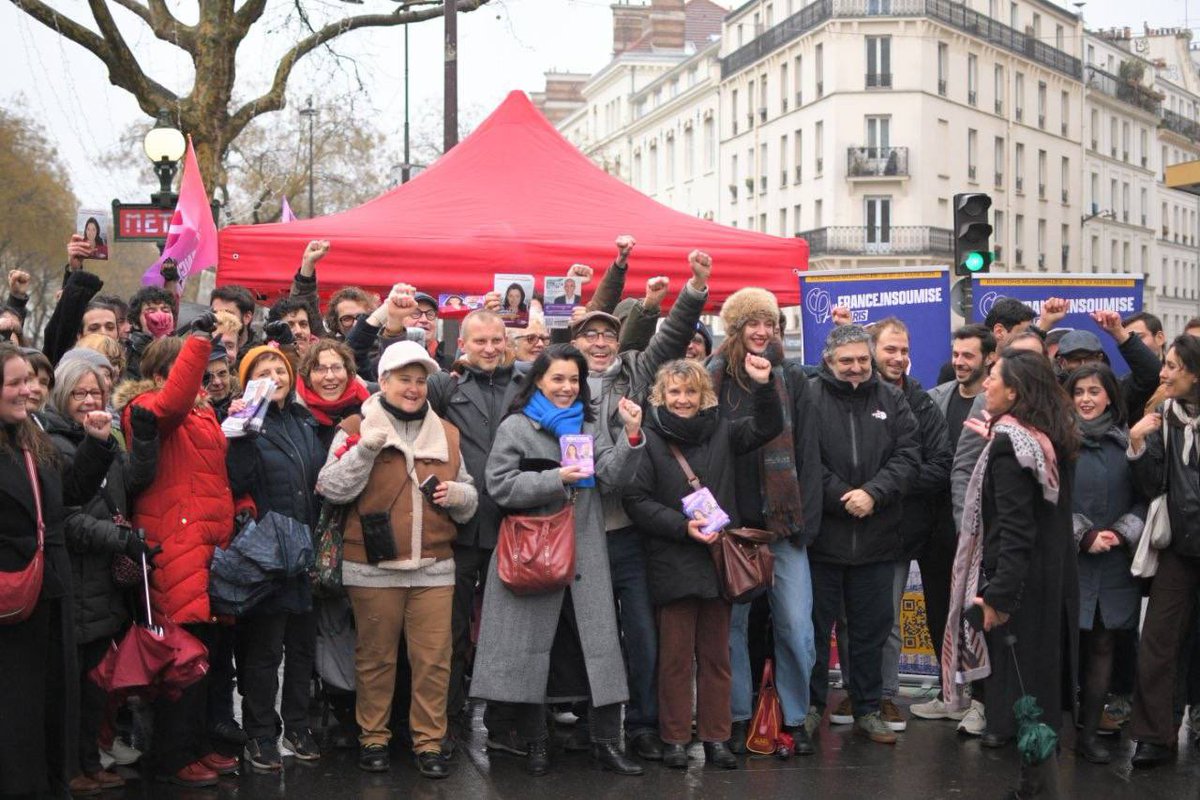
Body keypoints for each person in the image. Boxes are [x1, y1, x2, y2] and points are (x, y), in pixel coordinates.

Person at [472, 344, 645, 777]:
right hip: (532, 554)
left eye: (574, 380)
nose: (567, 388)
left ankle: (607, 743)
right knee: (532, 654)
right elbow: (499, 486)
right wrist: (555, 479)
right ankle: (536, 744)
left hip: (583, 554)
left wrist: (632, 436)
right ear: (539, 381)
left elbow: (612, 475)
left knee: (599, 652)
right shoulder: (516, 426)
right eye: (558, 379)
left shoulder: (588, 424)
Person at [570, 250, 709, 761]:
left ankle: (645, 726)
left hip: (628, 529)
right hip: (579, 530)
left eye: (608, 334)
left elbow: (671, 338)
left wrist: (693, 290)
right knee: (587, 636)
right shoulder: (559, 380)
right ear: (575, 341)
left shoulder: (634, 369)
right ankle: (593, 722)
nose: (602, 342)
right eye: (591, 334)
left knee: (644, 635)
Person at [317, 340, 478, 778]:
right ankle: (373, 738)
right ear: (383, 381)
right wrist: (365, 449)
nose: (413, 388)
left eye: (420, 380)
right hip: (370, 567)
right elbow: (330, 488)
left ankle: (429, 742)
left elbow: (469, 498)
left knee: (434, 660)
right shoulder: (354, 424)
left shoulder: (446, 433)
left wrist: (459, 495)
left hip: (434, 567)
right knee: (376, 659)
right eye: (404, 379)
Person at [623, 356, 782, 769]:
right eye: (674, 392)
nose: (682, 399)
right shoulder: (650, 438)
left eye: (690, 391)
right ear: (661, 395)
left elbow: (768, 427)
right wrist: (682, 526)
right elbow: (636, 501)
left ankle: (716, 737)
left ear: (703, 395)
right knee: (674, 659)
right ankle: (674, 737)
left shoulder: (725, 432)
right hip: (672, 558)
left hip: (718, 561)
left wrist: (764, 385)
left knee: (717, 657)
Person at [945, 350, 1078, 797]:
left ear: (1015, 392)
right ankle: (1032, 786)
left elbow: (1015, 531)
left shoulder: (1009, 446)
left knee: (1024, 695)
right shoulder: (1045, 437)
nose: (985, 384)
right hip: (1047, 582)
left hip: (1017, 588)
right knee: (1036, 687)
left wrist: (998, 598)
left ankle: (1038, 790)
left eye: (993, 378)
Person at [113, 317, 238, 787]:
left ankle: (198, 745)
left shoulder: (204, 413)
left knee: (204, 656)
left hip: (207, 546)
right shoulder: (145, 407)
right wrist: (199, 341)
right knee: (179, 659)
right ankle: (173, 756)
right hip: (174, 545)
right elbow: (174, 401)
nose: (206, 379)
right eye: (197, 368)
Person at [707, 287, 822, 755]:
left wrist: (804, 522)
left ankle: (794, 717)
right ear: (735, 329)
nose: (761, 331)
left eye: (769, 323)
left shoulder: (791, 377)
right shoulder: (712, 378)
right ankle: (735, 718)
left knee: (796, 626)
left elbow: (809, 452)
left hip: (785, 526)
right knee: (731, 629)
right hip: (733, 529)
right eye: (752, 323)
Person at [0, 342, 116, 799]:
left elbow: (65, 496)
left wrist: (98, 444)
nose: (28, 390)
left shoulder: (32, 436)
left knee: (51, 703)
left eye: (29, 381)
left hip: (49, 590)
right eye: (15, 383)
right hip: (9, 599)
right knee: (15, 709)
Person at [44, 357, 160, 795]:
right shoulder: (52, 442)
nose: (90, 400)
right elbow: (66, 517)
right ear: (62, 395)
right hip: (76, 579)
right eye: (80, 393)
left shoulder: (105, 436)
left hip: (104, 581)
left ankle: (89, 761)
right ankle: (72, 767)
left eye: (96, 392)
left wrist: (144, 440)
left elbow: (130, 483)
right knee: (73, 688)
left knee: (96, 685)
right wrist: (118, 539)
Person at [806, 324, 920, 745]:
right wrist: (842, 496)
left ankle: (868, 708)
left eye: (861, 360)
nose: (856, 368)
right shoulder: (810, 397)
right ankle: (812, 705)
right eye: (846, 361)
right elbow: (804, 460)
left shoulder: (891, 398)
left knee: (872, 630)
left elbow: (909, 456)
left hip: (877, 536)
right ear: (829, 362)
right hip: (823, 540)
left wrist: (873, 493)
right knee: (814, 631)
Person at [426, 309, 529, 754]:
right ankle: (445, 721)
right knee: (448, 633)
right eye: (479, 341)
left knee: (509, 633)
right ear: (463, 344)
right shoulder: (443, 388)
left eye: (496, 340)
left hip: (514, 526)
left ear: (506, 340)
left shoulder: (527, 385)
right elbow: (392, 387)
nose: (489, 349)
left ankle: (504, 724)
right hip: (461, 529)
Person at [226, 343, 327, 771]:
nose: (274, 376)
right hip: (268, 554)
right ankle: (261, 734)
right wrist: (243, 430)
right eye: (262, 370)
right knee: (265, 651)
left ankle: (298, 727)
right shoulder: (245, 423)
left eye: (279, 368)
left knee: (303, 648)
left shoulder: (304, 420)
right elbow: (237, 479)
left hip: (307, 551)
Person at [858, 319, 952, 733]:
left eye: (903, 350)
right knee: (852, 616)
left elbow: (941, 466)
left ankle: (885, 696)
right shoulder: (848, 395)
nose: (897, 358)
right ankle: (860, 692)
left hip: (897, 529)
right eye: (889, 350)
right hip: (848, 523)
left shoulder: (920, 401)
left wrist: (888, 484)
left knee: (888, 619)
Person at [914, 324, 997, 724]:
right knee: (937, 610)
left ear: (988, 358)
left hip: (976, 528)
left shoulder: (995, 403)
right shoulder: (937, 398)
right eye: (956, 354)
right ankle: (950, 692)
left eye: (968, 355)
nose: (959, 362)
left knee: (972, 614)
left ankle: (980, 699)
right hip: (935, 529)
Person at [1064, 364, 1145, 765]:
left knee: (1103, 646)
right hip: (1068, 564)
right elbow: (1048, 500)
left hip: (1115, 566)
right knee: (1062, 649)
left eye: (1094, 391)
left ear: (1110, 395)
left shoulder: (1128, 444)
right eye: (1079, 391)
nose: (1086, 399)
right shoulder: (1058, 442)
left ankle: (1090, 734)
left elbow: (1149, 496)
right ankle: (1051, 734)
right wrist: (1083, 534)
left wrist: (1122, 532)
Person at [1127, 334, 1200, 767]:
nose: (1163, 373)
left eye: (1172, 366)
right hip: (1178, 546)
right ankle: (1155, 735)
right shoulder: (1163, 417)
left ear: (1194, 374)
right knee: (1158, 642)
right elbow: (1152, 485)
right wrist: (1137, 444)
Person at [295, 339, 371, 450]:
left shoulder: (371, 400)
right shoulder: (295, 415)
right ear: (308, 378)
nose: (330, 376)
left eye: (337, 367)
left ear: (348, 372)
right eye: (320, 369)